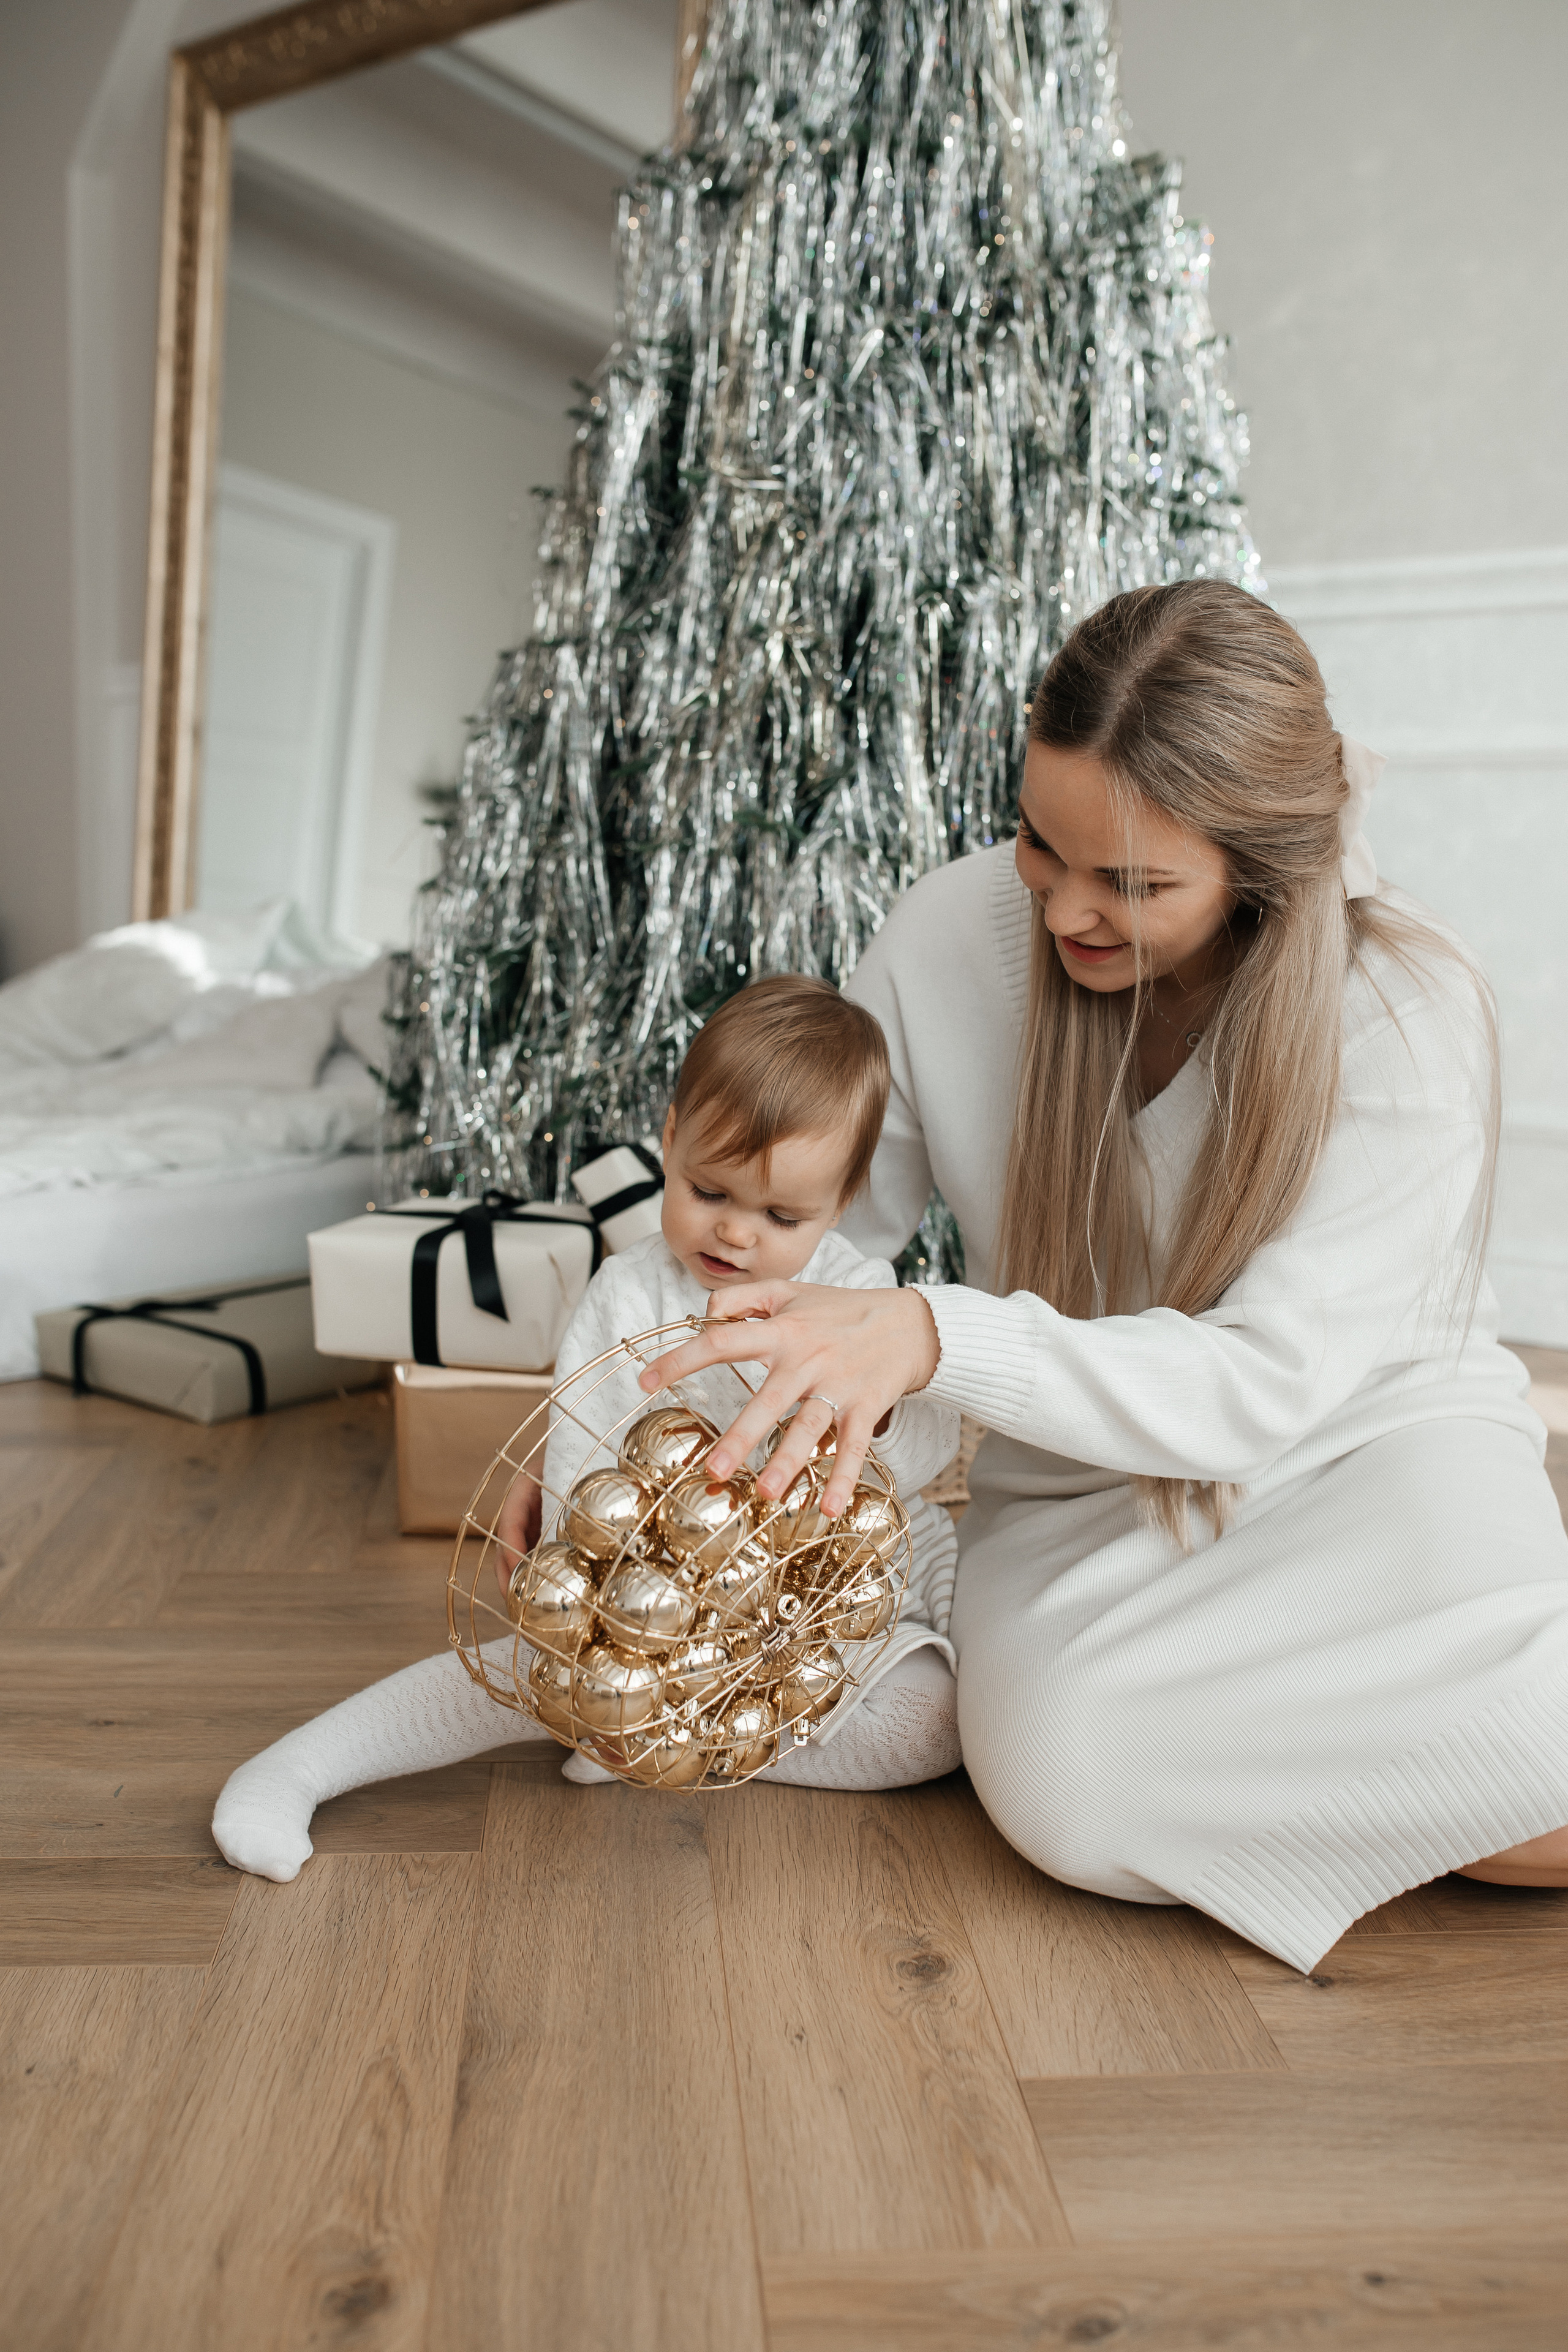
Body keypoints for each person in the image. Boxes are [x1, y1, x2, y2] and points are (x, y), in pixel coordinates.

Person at [641, 579, 1568, 1975]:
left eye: (1131, 884)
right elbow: (809, 1230)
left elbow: (1260, 1388)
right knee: (1072, 1795)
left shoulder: (1400, 1008)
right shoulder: (948, 934)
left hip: (1370, 1443)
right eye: (1038, 843)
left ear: (1258, 868)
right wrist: (616, 1413)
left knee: (1534, 1742)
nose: (1063, 907)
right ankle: (1430, 1800)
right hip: (1079, 1476)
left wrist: (932, 1337)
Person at [212, 976, 961, 1883]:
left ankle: (667, 1742)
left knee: (935, 1726)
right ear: (669, 1138)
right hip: (654, 1604)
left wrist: (871, 1414)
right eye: (706, 1189)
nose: (734, 1232)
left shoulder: (863, 1294)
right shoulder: (630, 1294)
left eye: (781, 1216)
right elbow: (583, 1454)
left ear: (841, 1204)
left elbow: (927, 1453)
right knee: (525, 1674)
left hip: (814, 1617)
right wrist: (602, 1613)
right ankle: (301, 1767)